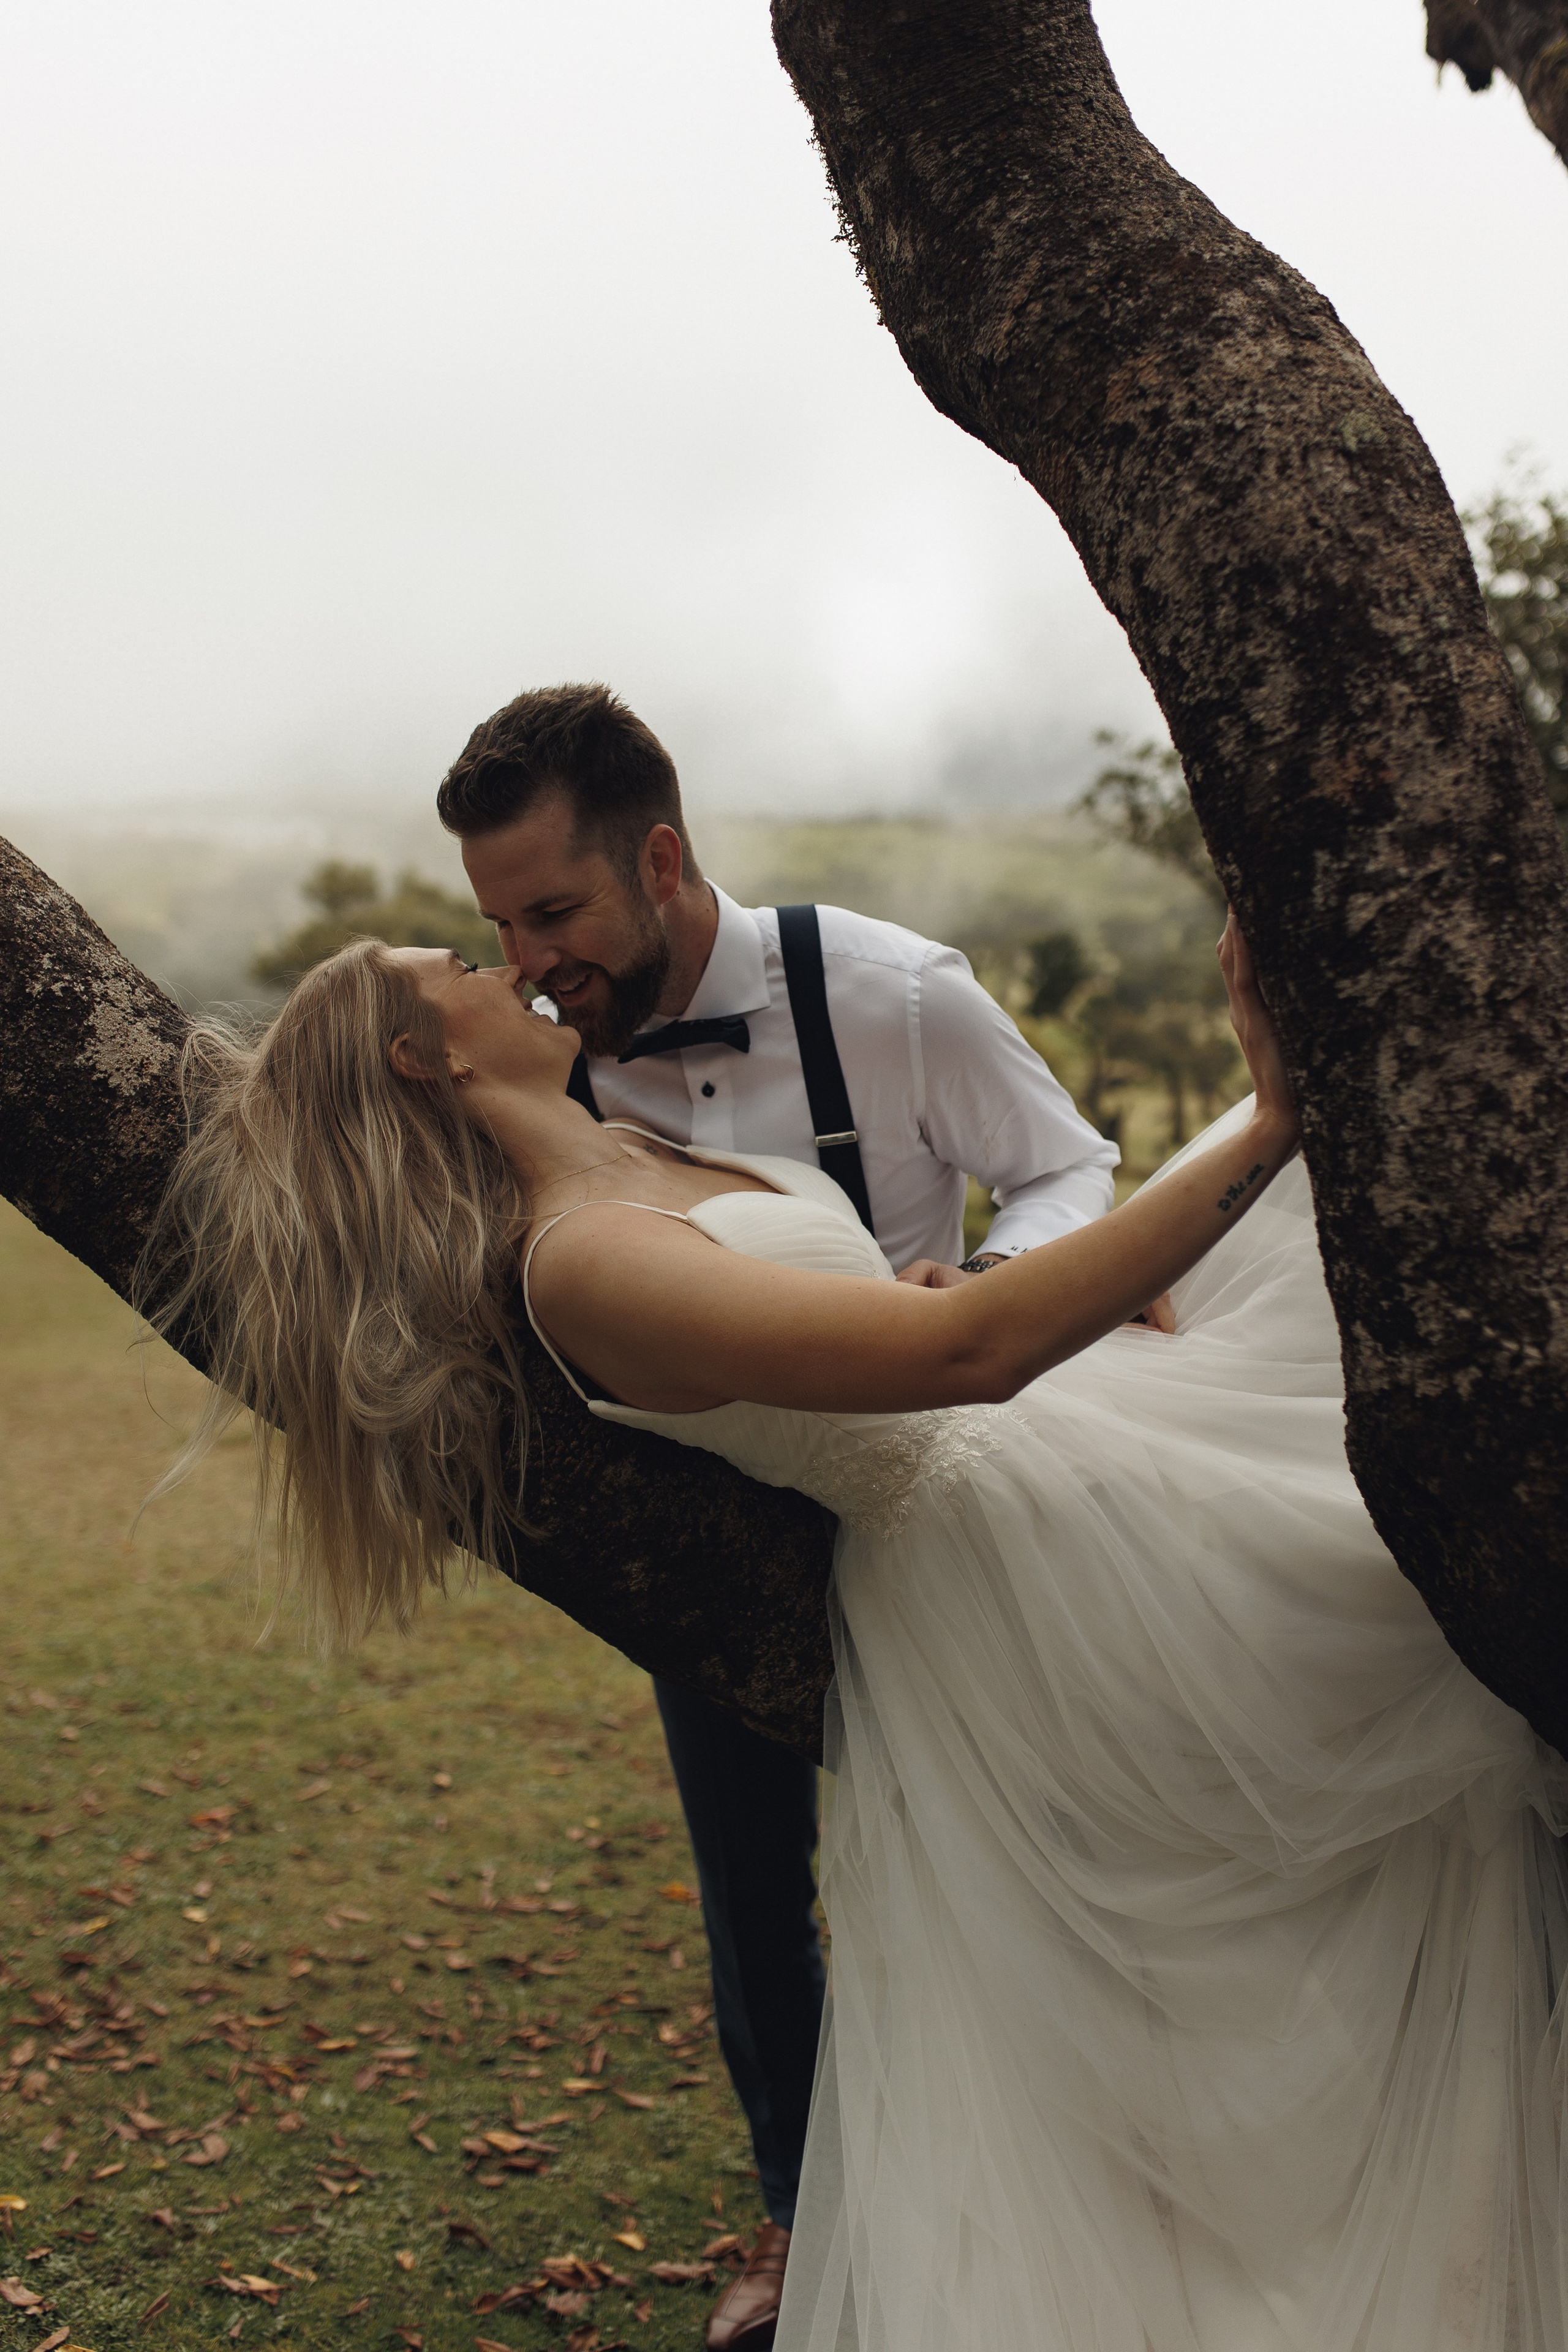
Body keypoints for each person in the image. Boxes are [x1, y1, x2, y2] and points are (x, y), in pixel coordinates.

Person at [145, 921, 1568, 2352]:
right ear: (426, 1052)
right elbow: (971, 1363)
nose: (493, 961)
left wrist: (939, 1290)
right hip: (1013, 1544)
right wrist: (1268, 1116)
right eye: (451, 962)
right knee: (1385, 1603)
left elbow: (894, 1330)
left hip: (1049, 1438)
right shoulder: (573, 1261)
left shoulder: (625, 1157)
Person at [432, 682, 1121, 2347]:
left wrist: (1009, 1271)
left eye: (554, 910)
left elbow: (1066, 1164)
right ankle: (805, 2219)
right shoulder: (540, 1063)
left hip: (945, 1516)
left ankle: (1064, 2176)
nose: (530, 960)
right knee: (756, 1897)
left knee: (1006, 1866)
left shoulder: (890, 994)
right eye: (500, 927)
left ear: (659, 860)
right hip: (719, 1541)